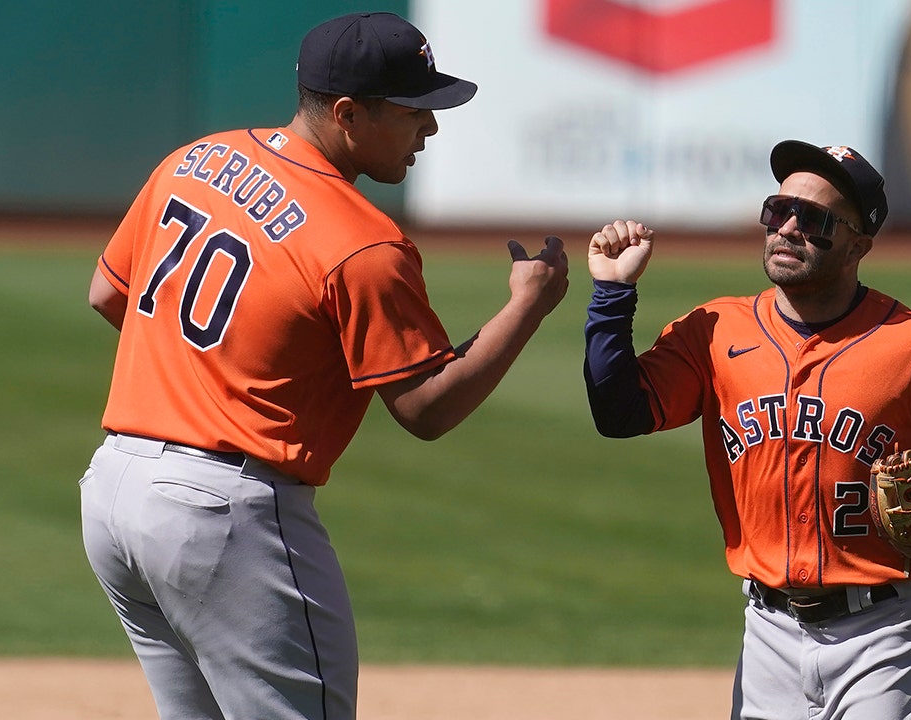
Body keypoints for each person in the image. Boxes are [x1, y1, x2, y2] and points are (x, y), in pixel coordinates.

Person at [79, 12, 568, 720]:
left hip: (114, 493)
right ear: (347, 113)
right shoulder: (363, 242)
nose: (429, 129)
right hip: (224, 517)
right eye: (413, 111)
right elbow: (426, 409)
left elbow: (106, 293)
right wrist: (527, 306)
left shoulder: (194, 157)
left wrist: (219, 366)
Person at [583, 141, 911, 719]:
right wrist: (613, 294)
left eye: (813, 219)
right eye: (777, 210)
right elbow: (618, 414)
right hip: (767, 633)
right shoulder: (714, 331)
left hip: (884, 632)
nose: (787, 228)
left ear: (859, 245)